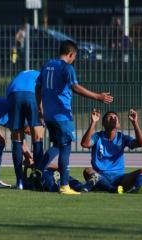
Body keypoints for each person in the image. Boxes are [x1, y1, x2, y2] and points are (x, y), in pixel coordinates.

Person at [35, 40, 114, 195]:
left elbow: (37, 87)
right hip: (62, 116)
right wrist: (98, 96)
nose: (74, 60)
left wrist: (40, 108)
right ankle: (65, 186)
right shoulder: (67, 67)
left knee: (57, 145)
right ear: (71, 54)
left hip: (49, 115)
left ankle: (38, 169)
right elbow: (75, 87)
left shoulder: (48, 65)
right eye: (74, 57)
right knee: (66, 147)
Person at [80, 108, 142, 194]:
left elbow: (141, 143)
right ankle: (112, 189)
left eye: (115, 117)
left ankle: (140, 187)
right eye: (110, 117)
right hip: (100, 176)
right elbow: (85, 144)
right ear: (103, 123)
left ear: (118, 124)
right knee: (88, 171)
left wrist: (135, 122)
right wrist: (93, 122)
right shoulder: (97, 136)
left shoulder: (122, 138)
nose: (113, 118)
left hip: (120, 179)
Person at [7, 70, 44, 190]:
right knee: (38, 137)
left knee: (17, 138)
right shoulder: (41, 74)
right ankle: (37, 180)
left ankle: (19, 183)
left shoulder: (18, 76)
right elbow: (43, 93)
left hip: (13, 94)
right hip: (32, 94)